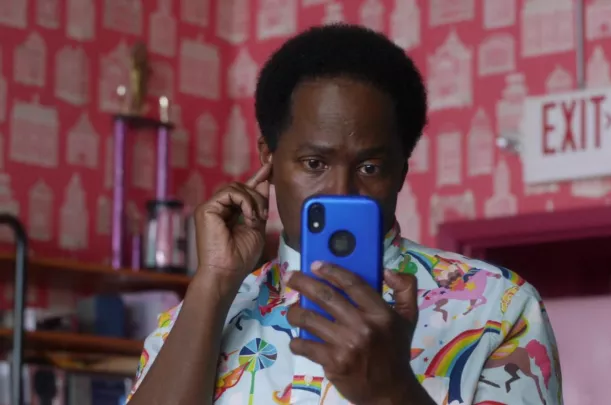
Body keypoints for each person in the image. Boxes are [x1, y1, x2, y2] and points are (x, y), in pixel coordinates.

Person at [126, 24, 562, 405]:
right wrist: (214, 283)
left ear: (401, 172)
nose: (341, 191)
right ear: (269, 159)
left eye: (370, 167)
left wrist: (392, 391)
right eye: (314, 163)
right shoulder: (192, 321)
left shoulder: (499, 307)